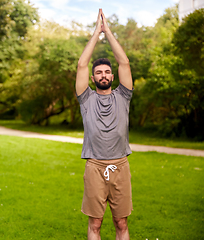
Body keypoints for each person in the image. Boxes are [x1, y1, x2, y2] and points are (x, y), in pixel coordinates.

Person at [76, 9, 134, 240]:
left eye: (107, 72)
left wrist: (107, 31)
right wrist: (95, 32)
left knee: (121, 222)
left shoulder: (123, 96)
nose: (103, 75)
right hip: (94, 167)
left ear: (113, 76)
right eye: (98, 72)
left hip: (121, 166)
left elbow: (124, 61)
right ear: (93, 78)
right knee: (95, 224)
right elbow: (81, 64)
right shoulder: (86, 98)